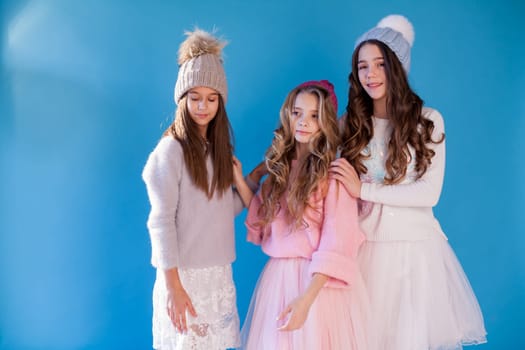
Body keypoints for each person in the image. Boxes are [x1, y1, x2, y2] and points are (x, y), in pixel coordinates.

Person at [330, 15, 487, 349]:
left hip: (413, 254)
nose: (370, 75)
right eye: (362, 66)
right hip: (363, 250)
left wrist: (363, 189)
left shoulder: (428, 121)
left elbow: (429, 193)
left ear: (397, 67)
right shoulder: (351, 125)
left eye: (379, 64)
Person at [239, 80, 370, 349]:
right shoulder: (279, 174)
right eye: (297, 113)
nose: (303, 122)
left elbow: (338, 241)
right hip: (277, 281)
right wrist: (245, 178)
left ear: (325, 123)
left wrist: (306, 299)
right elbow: (260, 220)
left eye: (314, 116)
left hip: (316, 285)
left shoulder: (333, 175)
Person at [142, 29, 246, 350]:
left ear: (221, 102)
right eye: (195, 97)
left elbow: (219, 213)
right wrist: (173, 286)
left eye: (212, 98)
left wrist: (245, 180)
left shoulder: (216, 150)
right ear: (182, 98)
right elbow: (160, 222)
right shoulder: (170, 151)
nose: (203, 106)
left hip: (216, 275)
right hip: (184, 277)